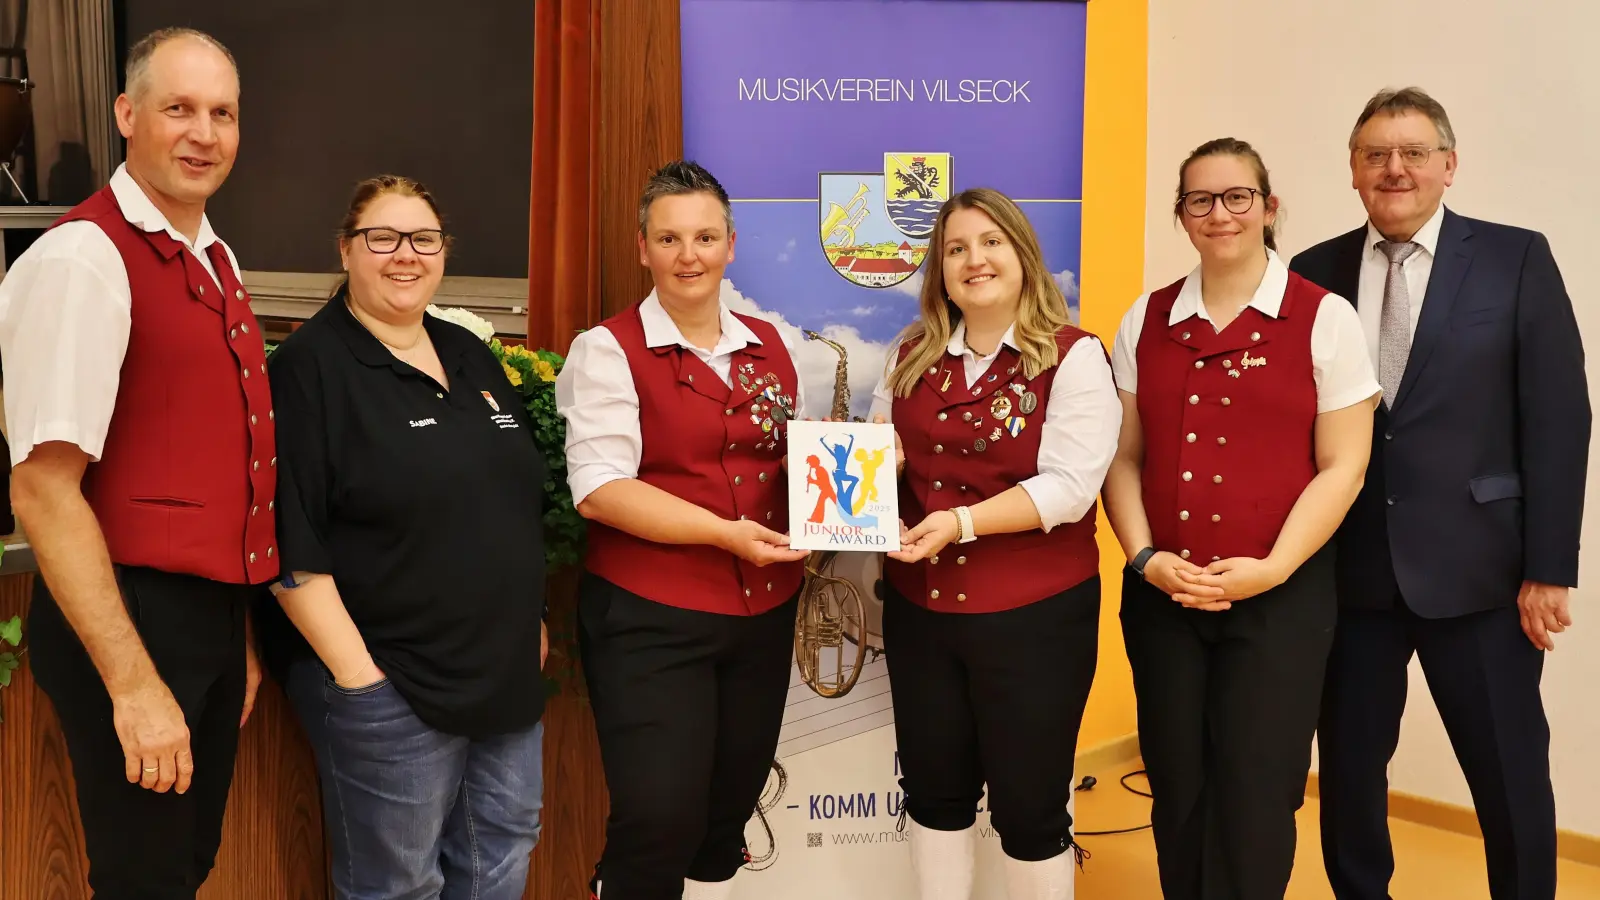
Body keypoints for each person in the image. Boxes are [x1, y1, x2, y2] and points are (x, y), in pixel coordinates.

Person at [1289, 87, 1589, 900]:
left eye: (1414, 152)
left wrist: (1549, 566)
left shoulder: (1515, 257)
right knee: (1349, 776)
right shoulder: (1309, 274)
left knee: (1511, 777)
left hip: (1485, 574)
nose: (1395, 168)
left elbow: (1560, 417)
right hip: (1348, 577)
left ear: (1449, 165)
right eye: (1376, 154)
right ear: (1353, 170)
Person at [0, 28, 273, 898]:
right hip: (127, 616)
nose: (204, 133)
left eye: (222, 113)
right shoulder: (84, 257)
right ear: (127, 115)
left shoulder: (214, 256)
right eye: (178, 109)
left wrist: (234, 639)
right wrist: (134, 682)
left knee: (179, 871)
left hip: (204, 620)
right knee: (143, 881)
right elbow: (43, 488)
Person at [1103, 138, 1379, 899]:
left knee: (1258, 793)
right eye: (1200, 200)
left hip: (1280, 599)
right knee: (1178, 786)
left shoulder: (1325, 319)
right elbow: (1123, 460)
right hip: (1164, 597)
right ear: (1181, 217)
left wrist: (1275, 567)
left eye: (1237, 197)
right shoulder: (1147, 318)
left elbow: (1344, 466)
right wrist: (1145, 557)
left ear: (1269, 208)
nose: (1219, 213)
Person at [260, 175, 549, 900]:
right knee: (399, 886)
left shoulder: (469, 352)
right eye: (381, 238)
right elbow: (288, 542)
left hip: (502, 675)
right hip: (392, 686)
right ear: (346, 250)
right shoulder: (307, 368)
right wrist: (361, 682)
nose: (404, 256)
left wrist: (529, 623)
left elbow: (510, 499)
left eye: (423, 239)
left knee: (501, 857)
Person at [555, 159, 809, 900]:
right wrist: (727, 534)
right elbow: (601, 491)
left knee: (725, 816)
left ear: (732, 245)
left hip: (763, 616)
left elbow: (797, 463)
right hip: (650, 620)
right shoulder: (606, 350)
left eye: (704, 237)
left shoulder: (776, 343)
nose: (688, 255)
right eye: (669, 239)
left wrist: (851, 494)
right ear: (643, 248)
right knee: (657, 819)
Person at [873, 187, 1121, 900]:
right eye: (955, 248)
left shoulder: (1073, 358)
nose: (973, 260)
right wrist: (867, 490)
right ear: (939, 269)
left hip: (1035, 621)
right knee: (933, 794)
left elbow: (1072, 486)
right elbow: (879, 459)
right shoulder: (909, 354)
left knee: (1030, 806)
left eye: (990, 243)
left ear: (1022, 255)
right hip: (921, 616)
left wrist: (960, 523)